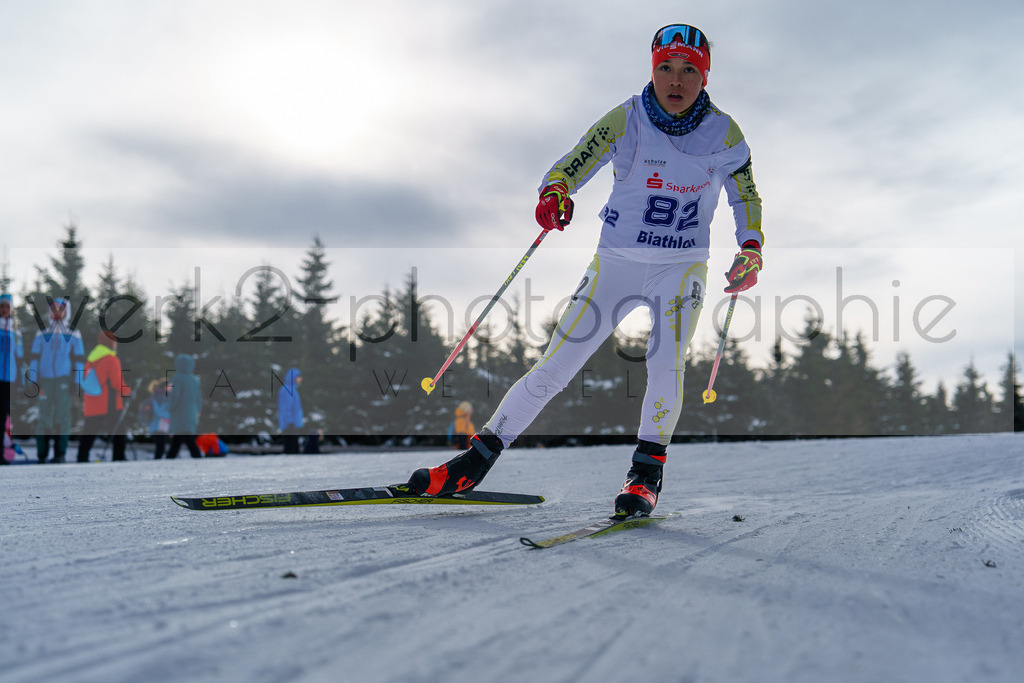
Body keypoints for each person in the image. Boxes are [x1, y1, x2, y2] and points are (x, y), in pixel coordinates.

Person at [408, 24, 763, 517]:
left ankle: (644, 477)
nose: (675, 81)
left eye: (688, 71)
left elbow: (745, 194)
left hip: (680, 269)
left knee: (665, 362)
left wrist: (751, 247)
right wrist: (555, 191)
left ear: (705, 78)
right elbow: (574, 161)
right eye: (665, 67)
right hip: (615, 265)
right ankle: (473, 463)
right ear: (652, 68)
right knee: (554, 365)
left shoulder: (724, 133)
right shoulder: (627, 118)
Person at [29, 298, 85, 463]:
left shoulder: (74, 333)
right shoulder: (41, 333)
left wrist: (77, 381)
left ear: (66, 312)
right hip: (45, 381)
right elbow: (34, 358)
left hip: (64, 380)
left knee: (63, 417)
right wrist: (33, 379)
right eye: (54, 309)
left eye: (61, 309)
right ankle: (42, 454)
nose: (57, 313)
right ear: (50, 312)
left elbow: (79, 359)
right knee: (44, 417)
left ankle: (59, 453)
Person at [76, 330, 129, 462]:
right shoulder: (111, 360)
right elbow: (117, 382)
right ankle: (119, 458)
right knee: (119, 432)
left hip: (92, 402)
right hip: (109, 403)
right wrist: (127, 391)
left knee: (89, 432)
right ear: (111, 343)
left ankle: (81, 457)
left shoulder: (91, 359)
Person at [166, 354, 202, 459]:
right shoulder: (195, 380)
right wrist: (198, 411)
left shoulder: (177, 378)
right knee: (186, 436)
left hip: (179, 412)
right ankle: (196, 456)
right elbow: (199, 398)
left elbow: (175, 396)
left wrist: (170, 407)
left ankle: (170, 457)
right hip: (191, 412)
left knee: (180, 437)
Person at [0, 293, 23, 441]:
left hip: (9, 379)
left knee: (3, 415)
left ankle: (2, 452)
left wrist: (22, 379)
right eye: (1, 306)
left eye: (7, 306)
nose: (4, 309)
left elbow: (19, 357)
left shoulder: (16, 333)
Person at [140, 379, 171, 459]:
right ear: (164, 387)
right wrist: (171, 416)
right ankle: (157, 462)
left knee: (161, 447)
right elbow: (159, 411)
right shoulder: (158, 397)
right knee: (160, 447)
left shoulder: (163, 396)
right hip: (158, 425)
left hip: (161, 425)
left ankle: (158, 462)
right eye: (169, 386)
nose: (171, 387)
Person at [277, 368, 303, 454]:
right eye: (298, 377)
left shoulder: (291, 389)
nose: (300, 379)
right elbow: (286, 408)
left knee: (293, 449)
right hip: (290, 425)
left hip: (292, 424)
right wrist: (290, 422)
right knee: (291, 450)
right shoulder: (288, 390)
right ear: (293, 378)